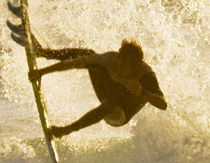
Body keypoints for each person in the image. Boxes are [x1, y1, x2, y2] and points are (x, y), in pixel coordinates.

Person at [12, 12, 167, 138]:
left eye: (126, 67)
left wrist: (143, 92)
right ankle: (43, 52)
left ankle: (65, 130)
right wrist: (42, 72)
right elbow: (75, 63)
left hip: (120, 114)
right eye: (120, 63)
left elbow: (163, 104)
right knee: (88, 55)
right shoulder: (110, 59)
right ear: (118, 58)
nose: (121, 70)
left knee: (112, 103)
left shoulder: (146, 76)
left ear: (136, 66)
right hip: (108, 92)